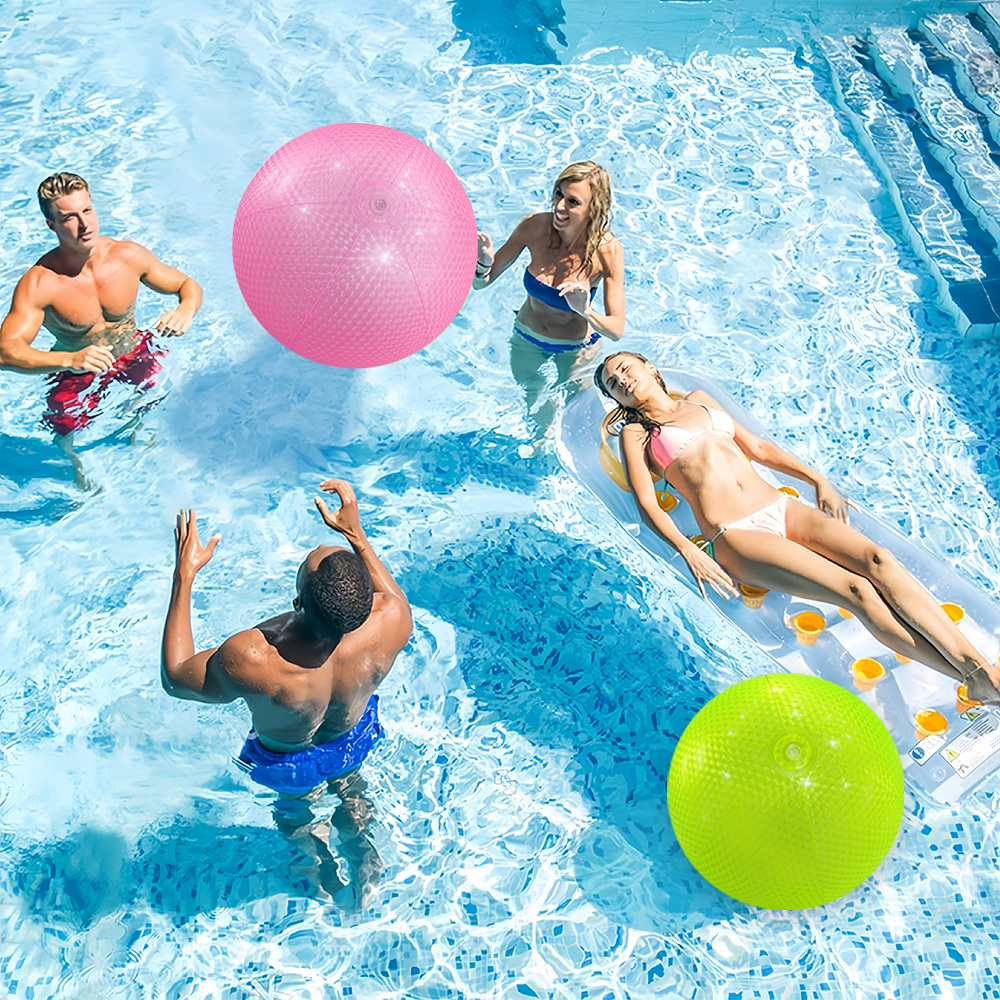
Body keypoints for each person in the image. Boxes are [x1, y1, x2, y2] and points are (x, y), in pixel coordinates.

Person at [595, 350, 1000, 704]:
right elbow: (646, 503)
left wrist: (818, 480)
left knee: (880, 560)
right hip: (736, 535)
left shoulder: (700, 402)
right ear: (615, 398)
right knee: (857, 591)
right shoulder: (636, 434)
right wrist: (687, 549)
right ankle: (971, 677)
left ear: (649, 368)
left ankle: (981, 669)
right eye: (614, 383)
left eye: (626, 369)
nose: (623, 380)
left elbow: (759, 450)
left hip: (779, 506)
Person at [161, 479, 413, 908]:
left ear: (297, 601)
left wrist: (184, 577)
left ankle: (318, 876)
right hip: (351, 742)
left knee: (295, 815)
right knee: (351, 790)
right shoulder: (392, 620)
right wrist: (356, 536)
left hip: (286, 763)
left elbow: (175, 677)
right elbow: (385, 593)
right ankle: (363, 862)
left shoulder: (255, 657)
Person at [0, 173, 203, 487]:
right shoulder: (40, 283)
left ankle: (137, 431)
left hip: (133, 352)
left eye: (87, 211)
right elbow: (6, 351)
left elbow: (186, 284)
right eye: (69, 217)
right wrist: (71, 360)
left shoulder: (128, 256)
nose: (84, 224)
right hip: (76, 368)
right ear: (51, 225)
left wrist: (184, 310)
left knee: (156, 396)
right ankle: (75, 465)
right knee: (63, 430)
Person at [474, 161, 625, 452]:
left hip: (575, 349)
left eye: (572, 201)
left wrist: (586, 310)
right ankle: (541, 441)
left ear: (594, 208)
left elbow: (617, 330)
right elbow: (482, 283)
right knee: (533, 396)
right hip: (527, 336)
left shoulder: (606, 251)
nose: (559, 206)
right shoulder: (535, 227)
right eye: (558, 194)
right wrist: (483, 263)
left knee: (576, 411)